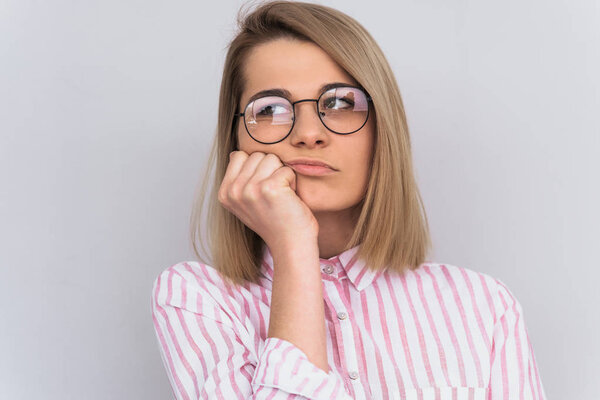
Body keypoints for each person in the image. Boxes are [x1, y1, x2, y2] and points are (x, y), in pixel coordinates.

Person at [151, 1, 547, 399]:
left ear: (382, 128)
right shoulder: (196, 299)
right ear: (236, 138)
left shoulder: (483, 306)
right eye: (271, 109)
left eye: (339, 103)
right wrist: (293, 245)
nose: (308, 133)